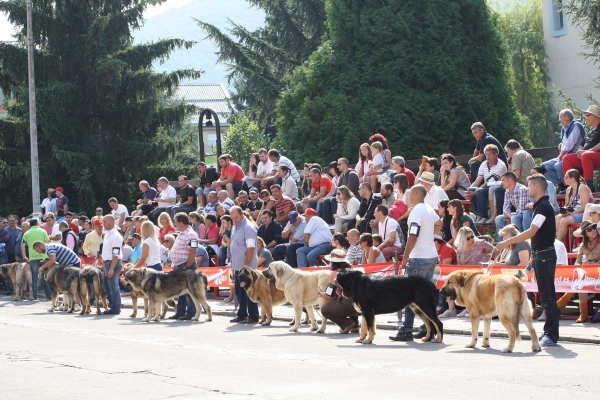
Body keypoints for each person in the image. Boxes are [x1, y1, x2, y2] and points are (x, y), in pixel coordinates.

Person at [496, 174, 559, 346]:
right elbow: (537, 234)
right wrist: (533, 256)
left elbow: (532, 231)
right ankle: (549, 332)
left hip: (545, 255)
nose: (528, 189)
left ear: (537, 187)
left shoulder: (544, 206)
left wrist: (508, 241)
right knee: (545, 295)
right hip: (541, 254)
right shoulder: (541, 206)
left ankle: (551, 334)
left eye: (530, 186)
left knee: (547, 296)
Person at [390, 185, 442, 341]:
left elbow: (413, 236)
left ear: (415, 193)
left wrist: (405, 256)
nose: (408, 196)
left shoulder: (416, 212)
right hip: (431, 255)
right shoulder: (429, 209)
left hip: (418, 256)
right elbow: (439, 225)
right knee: (426, 295)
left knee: (410, 294)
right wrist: (428, 234)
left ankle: (406, 329)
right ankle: (428, 327)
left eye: (409, 193)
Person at [556, 220, 598, 323]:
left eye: (594, 227)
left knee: (580, 280)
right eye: (589, 229)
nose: (593, 230)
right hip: (588, 274)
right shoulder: (583, 246)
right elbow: (577, 262)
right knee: (581, 279)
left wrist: (592, 264)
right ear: (585, 234)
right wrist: (582, 265)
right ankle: (583, 314)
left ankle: (565, 300)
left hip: (598, 272)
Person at [229, 206, 260, 324]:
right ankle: (242, 314)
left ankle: (253, 316)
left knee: (250, 292)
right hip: (237, 266)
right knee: (239, 291)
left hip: (246, 268)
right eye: (232, 218)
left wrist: (246, 267)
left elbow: (251, 249)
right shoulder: (235, 226)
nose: (234, 220)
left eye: (236, 217)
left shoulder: (249, 228)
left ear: (242, 214)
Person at [542, 109, 585, 192]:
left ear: (567, 117)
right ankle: (561, 184)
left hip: (574, 157)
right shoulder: (564, 129)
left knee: (558, 165)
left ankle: (568, 186)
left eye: (560, 117)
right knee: (544, 167)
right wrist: (562, 144)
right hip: (565, 156)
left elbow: (570, 142)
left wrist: (562, 153)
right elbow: (565, 142)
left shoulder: (576, 126)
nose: (559, 120)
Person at [168, 213, 199, 321]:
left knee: (189, 290)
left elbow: (193, 251)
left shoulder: (191, 234)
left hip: (186, 266)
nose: (174, 224)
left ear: (181, 222)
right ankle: (180, 312)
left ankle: (191, 312)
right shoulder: (182, 233)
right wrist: (175, 265)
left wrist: (188, 266)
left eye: (175, 222)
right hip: (179, 266)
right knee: (180, 291)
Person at [319, 252, 360, 333]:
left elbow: (328, 294)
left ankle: (347, 323)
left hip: (347, 305)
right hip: (360, 304)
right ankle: (355, 325)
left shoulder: (334, 273)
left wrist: (319, 293)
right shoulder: (353, 270)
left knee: (324, 310)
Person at [562, 105, 600, 192]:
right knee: (567, 158)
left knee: (586, 155)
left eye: (587, 115)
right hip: (587, 157)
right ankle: (572, 186)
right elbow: (582, 144)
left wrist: (586, 151)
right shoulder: (590, 130)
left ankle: (588, 186)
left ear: (595, 117)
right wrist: (579, 152)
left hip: (596, 156)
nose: (585, 118)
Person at [466, 144, 507, 223]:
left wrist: (475, 192)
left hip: (497, 187)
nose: (487, 157)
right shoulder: (484, 164)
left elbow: (489, 182)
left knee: (479, 191)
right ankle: (479, 215)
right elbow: (478, 180)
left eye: (490, 154)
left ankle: (483, 216)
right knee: (471, 189)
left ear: (496, 154)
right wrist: (468, 191)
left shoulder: (501, 165)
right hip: (487, 187)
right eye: (486, 155)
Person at [556, 169, 591, 241]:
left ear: (572, 178)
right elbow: (567, 205)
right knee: (557, 218)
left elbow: (585, 206)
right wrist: (565, 211)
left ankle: (557, 244)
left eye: (566, 177)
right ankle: (558, 241)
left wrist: (572, 213)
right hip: (572, 212)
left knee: (564, 221)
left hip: (584, 213)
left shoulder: (583, 188)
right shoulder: (569, 189)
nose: (564, 179)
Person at [99, 215, 123, 315]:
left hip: (113, 262)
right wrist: (104, 264)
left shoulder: (116, 236)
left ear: (112, 222)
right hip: (107, 262)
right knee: (107, 286)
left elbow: (115, 254)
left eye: (105, 222)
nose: (103, 224)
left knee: (113, 286)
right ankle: (112, 305)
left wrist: (111, 269)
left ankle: (116, 308)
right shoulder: (107, 234)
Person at [21, 219, 50, 300]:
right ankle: (48, 294)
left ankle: (34, 296)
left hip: (32, 257)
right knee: (45, 276)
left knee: (34, 277)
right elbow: (47, 243)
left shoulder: (26, 233)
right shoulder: (43, 231)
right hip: (43, 256)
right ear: (37, 223)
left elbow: (22, 245)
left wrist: (24, 256)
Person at [435, 234, 458, 318]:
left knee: (441, 280)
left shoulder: (446, 248)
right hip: (446, 274)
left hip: (453, 274)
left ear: (436, 241)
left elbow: (446, 267)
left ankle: (442, 306)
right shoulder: (437, 249)